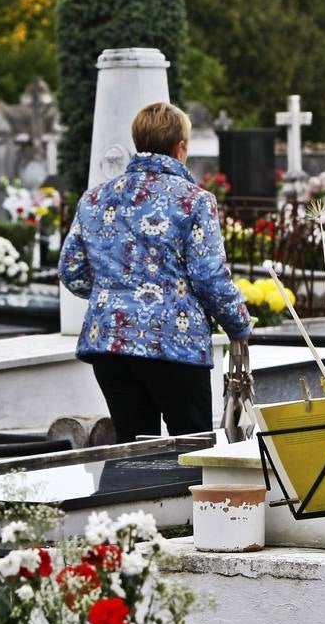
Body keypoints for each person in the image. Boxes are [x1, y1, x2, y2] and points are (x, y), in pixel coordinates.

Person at [58, 102, 252, 442]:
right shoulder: (193, 200)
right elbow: (209, 276)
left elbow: (71, 270)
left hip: (111, 344)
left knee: (132, 450)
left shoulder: (95, 198)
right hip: (174, 342)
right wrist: (238, 324)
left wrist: (116, 291)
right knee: (193, 449)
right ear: (181, 147)